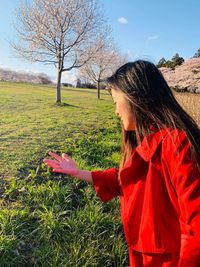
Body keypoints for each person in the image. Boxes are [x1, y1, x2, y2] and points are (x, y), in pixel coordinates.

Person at [43, 60, 200, 267]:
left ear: (136, 99)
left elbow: (196, 223)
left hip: (169, 259)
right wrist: (78, 172)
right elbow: (128, 180)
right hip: (143, 252)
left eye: (117, 102)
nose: (116, 111)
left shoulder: (175, 143)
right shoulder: (146, 138)